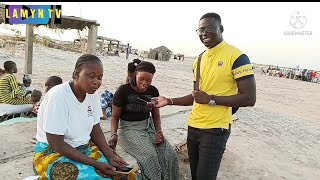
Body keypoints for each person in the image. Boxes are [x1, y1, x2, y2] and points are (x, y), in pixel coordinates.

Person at [153, 12, 256, 180]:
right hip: (193, 126)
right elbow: (197, 96)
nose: (204, 33)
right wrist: (169, 101)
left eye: (210, 28)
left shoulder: (237, 57)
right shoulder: (199, 59)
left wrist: (212, 99)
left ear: (221, 29)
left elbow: (249, 98)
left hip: (215, 130)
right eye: (200, 30)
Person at [33, 54, 135, 179]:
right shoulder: (58, 96)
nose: (96, 82)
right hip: (52, 152)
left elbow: (95, 128)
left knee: (125, 175)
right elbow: (56, 143)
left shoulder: (92, 95)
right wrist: (95, 164)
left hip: (84, 147)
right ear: (76, 74)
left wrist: (110, 155)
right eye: (91, 76)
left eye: (99, 77)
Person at [109, 61, 179, 180]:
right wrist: (113, 134)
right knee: (150, 157)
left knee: (170, 155)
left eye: (148, 81)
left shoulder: (153, 91)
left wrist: (159, 132)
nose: (144, 83)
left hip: (148, 127)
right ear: (135, 74)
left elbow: (155, 115)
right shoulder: (123, 91)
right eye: (141, 79)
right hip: (129, 129)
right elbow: (115, 117)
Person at [30, 76, 63, 144]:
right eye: (46, 86)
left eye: (50, 86)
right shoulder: (47, 99)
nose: (46, 89)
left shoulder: (60, 98)